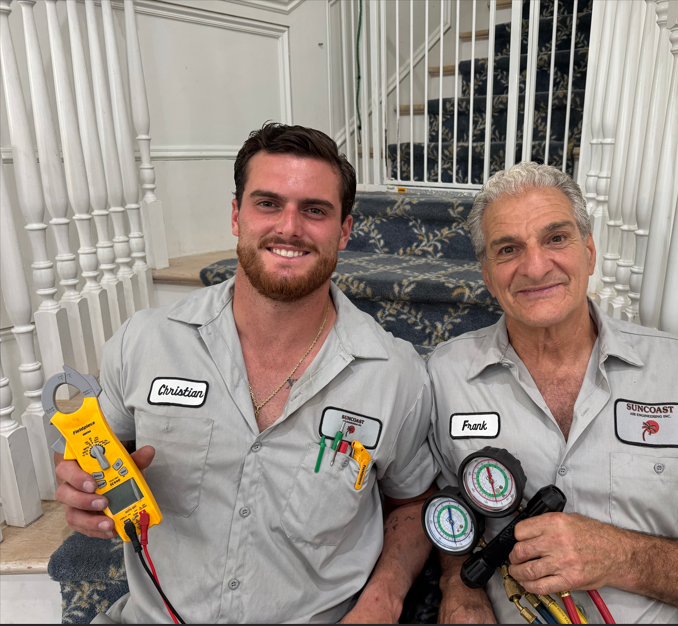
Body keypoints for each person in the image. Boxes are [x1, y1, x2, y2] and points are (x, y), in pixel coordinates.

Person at [53, 123, 439, 623]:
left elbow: (415, 501)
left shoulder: (396, 374)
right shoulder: (145, 341)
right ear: (237, 216)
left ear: (344, 230)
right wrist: (80, 485)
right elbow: (90, 452)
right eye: (268, 203)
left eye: (315, 210)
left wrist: (384, 598)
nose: (290, 227)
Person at [427, 162, 678, 624]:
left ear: (590, 252)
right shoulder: (444, 377)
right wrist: (459, 589)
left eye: (556, 238)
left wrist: (621, 556)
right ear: (486, 272)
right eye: (508, 249)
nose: (535, 266)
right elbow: (440, 511)